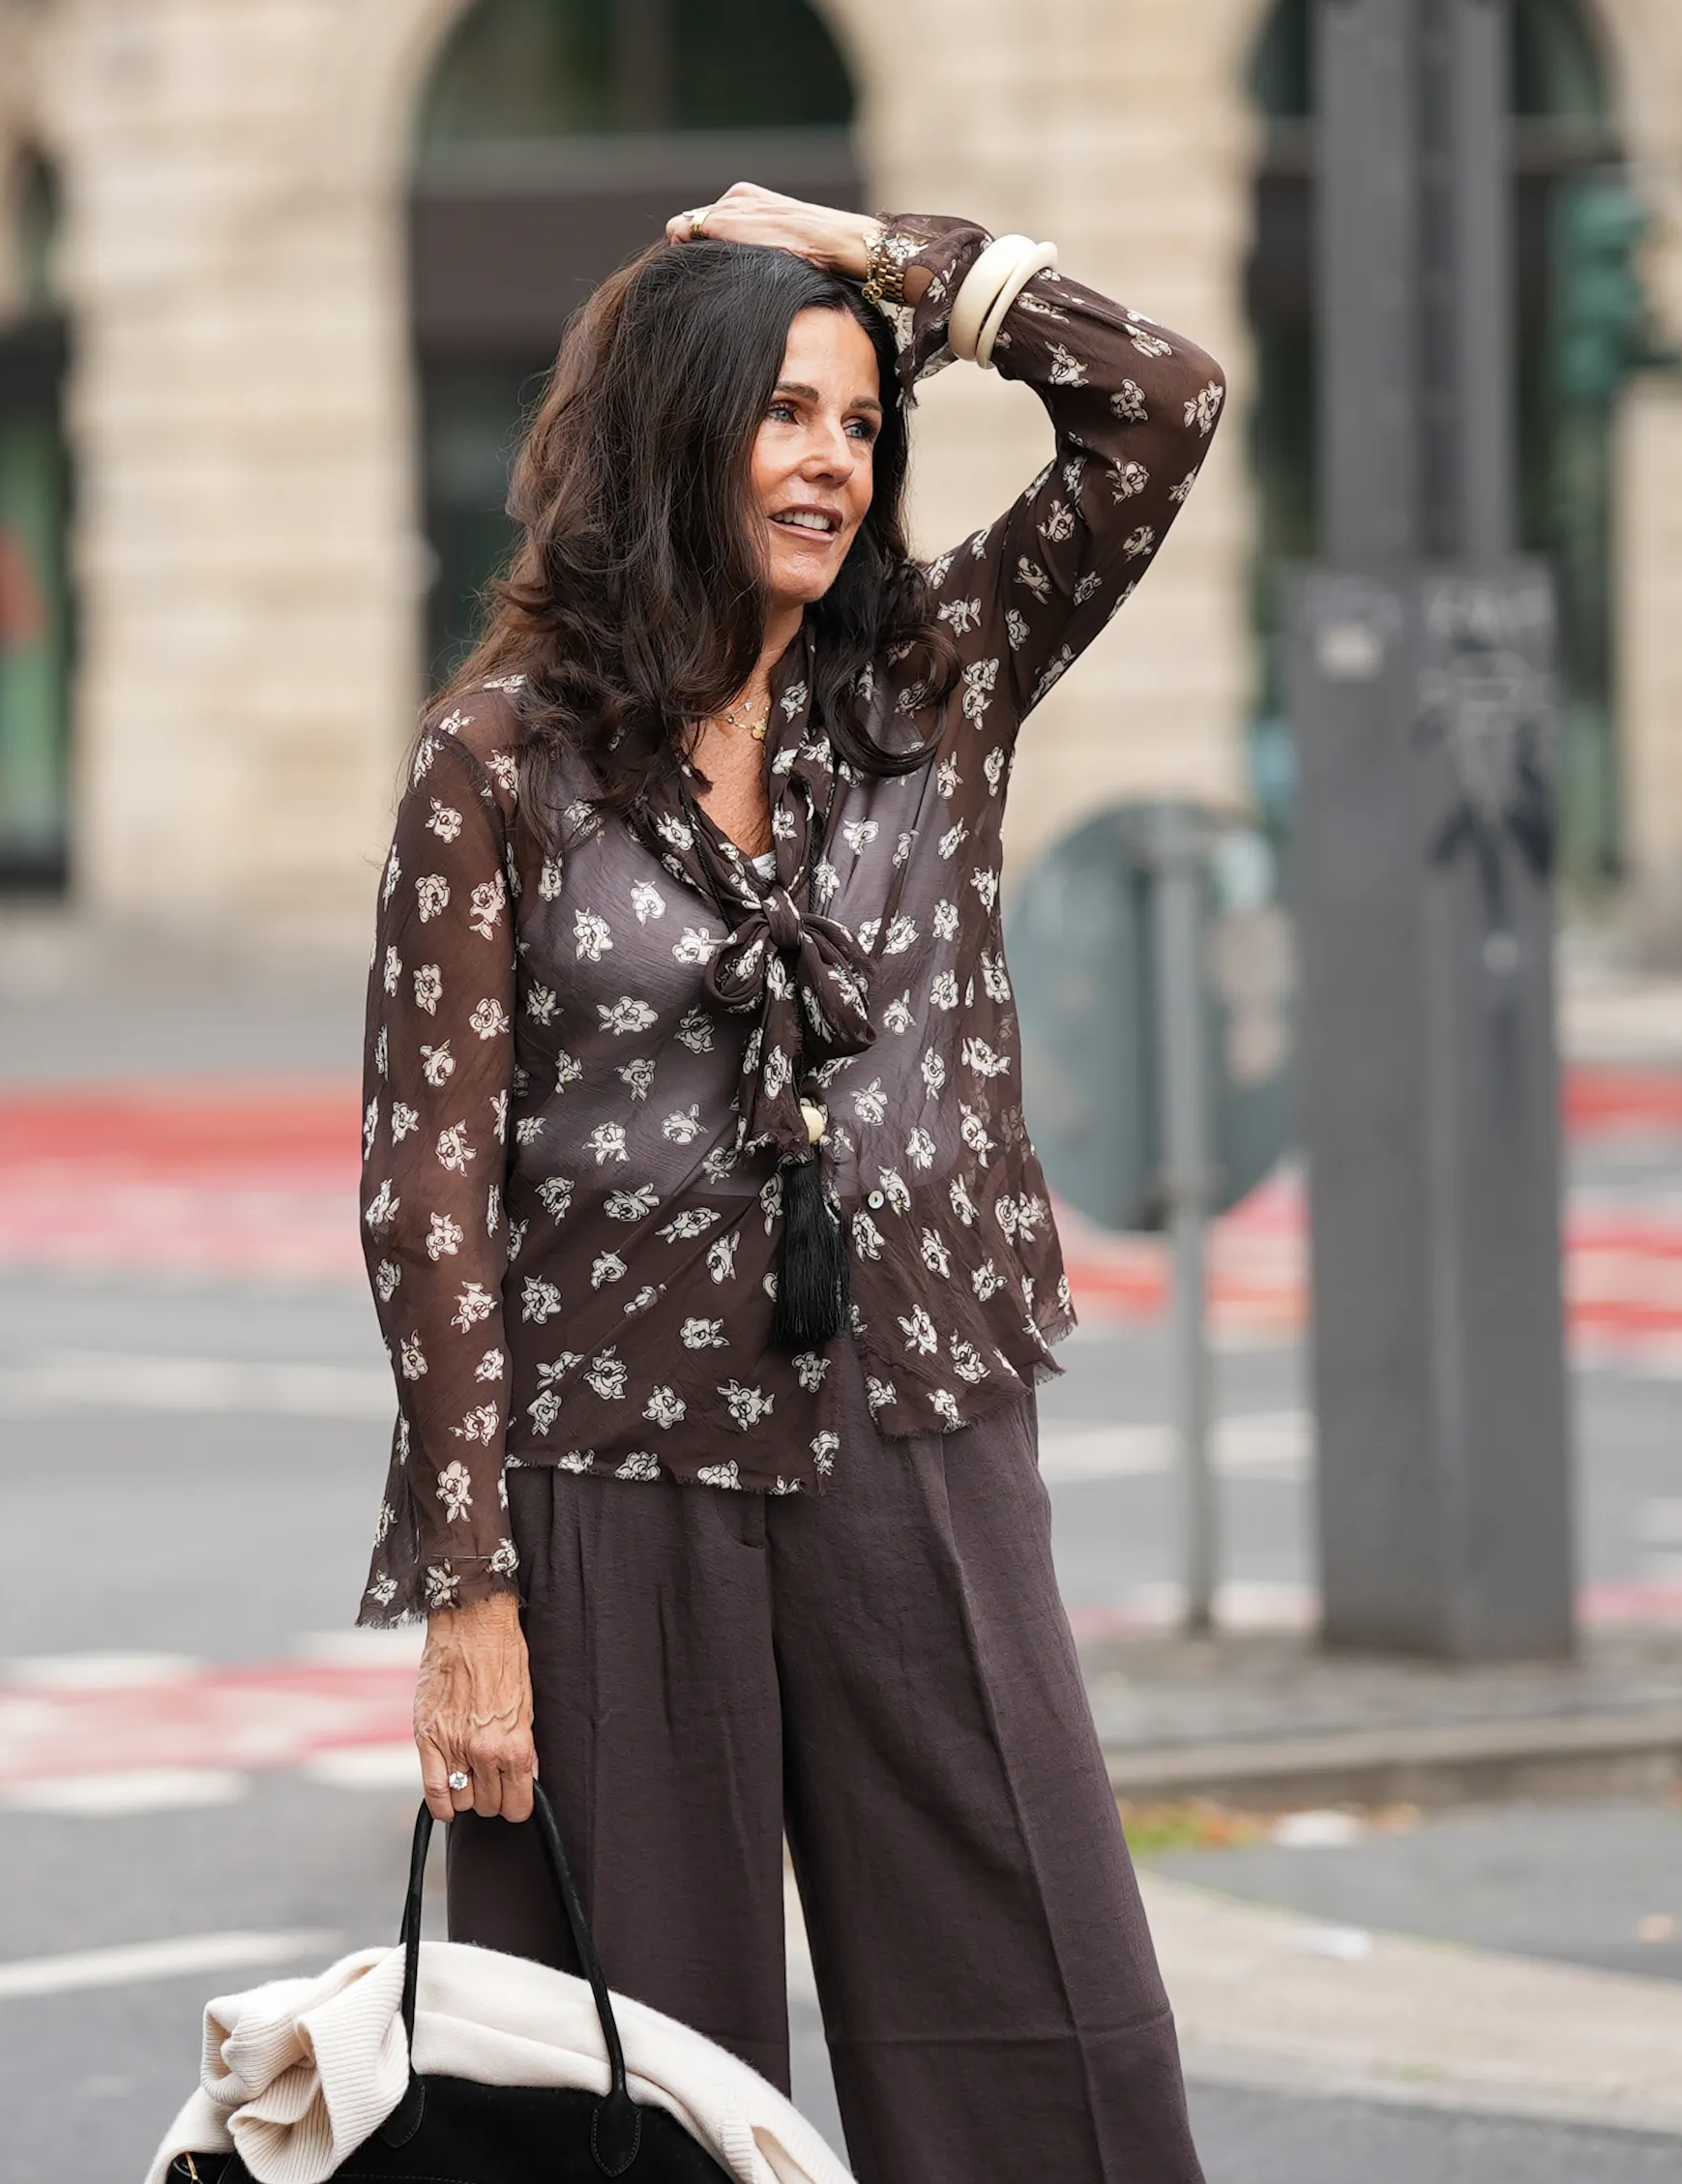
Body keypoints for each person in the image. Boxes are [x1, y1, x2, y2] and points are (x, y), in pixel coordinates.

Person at [353, 181, 1225, 2183]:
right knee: (627, 2067)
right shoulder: (494, 757)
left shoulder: (930, 678)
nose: (828, 459)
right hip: (612, 1481)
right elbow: (429, 1188)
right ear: (671, 433)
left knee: (1036, 2003)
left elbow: (1158, 405)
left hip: (918, 1427)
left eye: (855, 419)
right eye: (782, 413)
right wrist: (467, 1593)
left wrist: (893, 259)